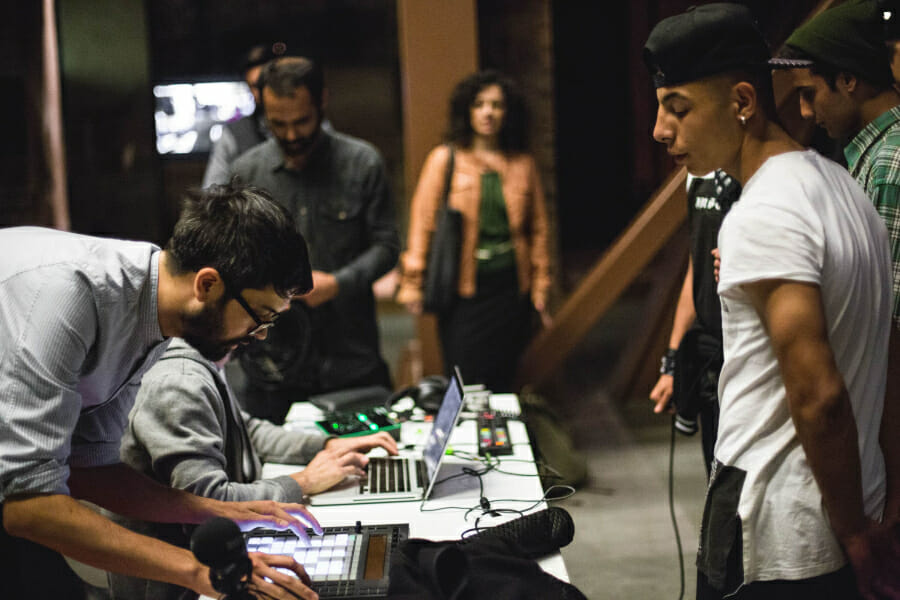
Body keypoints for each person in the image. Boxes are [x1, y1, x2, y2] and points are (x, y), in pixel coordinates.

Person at [645, 4, 899, 599]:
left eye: (678, 108)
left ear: (742, 101)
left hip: (781, 536)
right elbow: (889, 357)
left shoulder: (764, 211)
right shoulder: (841, 184)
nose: (660, 130)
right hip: (849, 505)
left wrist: (853, 534)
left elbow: (820, 397)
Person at [0, 181, 323, 600]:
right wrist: (200, 572)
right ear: (207, 285)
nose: (259, 335)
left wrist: (224, 510)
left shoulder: (149, 309)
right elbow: (29, 505)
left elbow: (90, 469)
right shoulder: (71, 297)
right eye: (260, 317)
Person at [108, 337, 398, 599]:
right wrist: (304, 481)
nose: (262, 334)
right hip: (176, 586)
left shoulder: (201, 357)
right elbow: (208, 501)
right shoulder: (179, 380)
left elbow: (245, 429)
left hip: (206, 569)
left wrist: (326, 445)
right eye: (264, 314)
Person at [771, 0, 900, 526]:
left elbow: (889, 330)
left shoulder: (890, 163)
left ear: (849, 81)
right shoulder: (872, 155)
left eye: (811, 92)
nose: (805, 112)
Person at [229, 56, 400, 424]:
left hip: (350, 354)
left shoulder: (362, 163)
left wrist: (338, 283)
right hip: (275, 362)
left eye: (301, 122)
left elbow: (387, 247)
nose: (291, 136)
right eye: (278, 124)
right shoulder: (247, 171)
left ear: (322, 101)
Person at [396, 70, 551, 392]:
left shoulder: (523, 164)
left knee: (504, 376)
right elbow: (423, 224)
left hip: (511, 289)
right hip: (464, 291)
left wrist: (540, 286)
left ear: (508, 113)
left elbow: (538, 231)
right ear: (466, 110)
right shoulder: (445, 159)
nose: (487, 113)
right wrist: (412, 283)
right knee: (465, 376)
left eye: (496, 105)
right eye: (479, 104)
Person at [649, 169, 740, 476]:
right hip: (709, 358)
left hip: (746, 357)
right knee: (715, 476)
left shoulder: (752, 176)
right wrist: (672, 362)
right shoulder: (696, 178)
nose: (667, 144)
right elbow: (695, 267)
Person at [201, 43, 282, 188]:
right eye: (254, 86)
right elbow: (212, 193)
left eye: (266, 84)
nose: (261, 93)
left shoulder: (309, 126)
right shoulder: (233, 134)